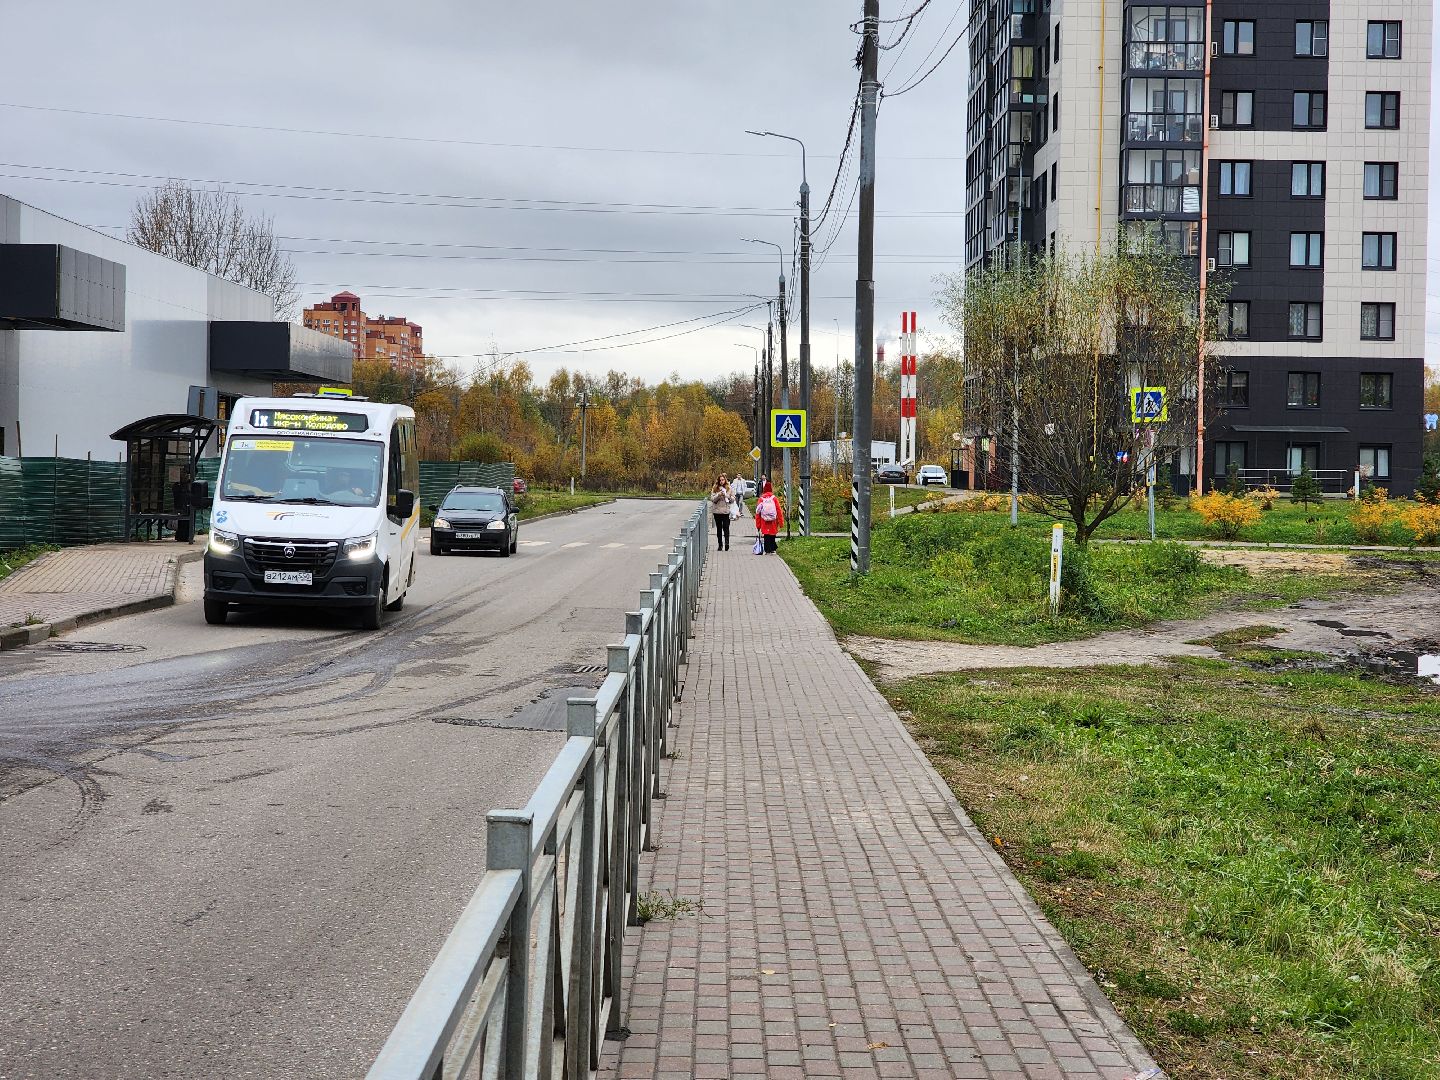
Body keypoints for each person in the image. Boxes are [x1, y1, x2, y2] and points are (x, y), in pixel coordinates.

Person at [754, 479, 784, 554]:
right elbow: (778, 511)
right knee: (772, 534)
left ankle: (767, 549)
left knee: (766, 534)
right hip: (773, 520)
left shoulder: (761, 499)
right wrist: (781, 522)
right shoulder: (774, 498)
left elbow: (758, 513)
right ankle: (772, 549)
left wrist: (758, 525)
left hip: (764, 520)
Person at [709, 474, 733, 551]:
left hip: (725, 511)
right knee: (719, 528)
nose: (721, 481)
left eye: (723, 480)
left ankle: (727, 543)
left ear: (725, 480)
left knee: (726, 527)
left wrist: (727, 496)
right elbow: (712, 499)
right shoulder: (715, 488)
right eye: (720, 480)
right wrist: (718, 495)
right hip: (717, 511)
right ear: (718, 481)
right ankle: (720, 544)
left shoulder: (729, 488)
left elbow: (732, 499)